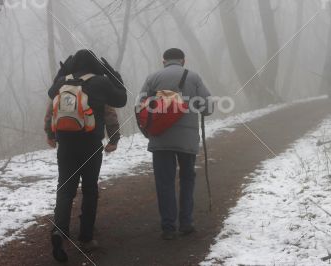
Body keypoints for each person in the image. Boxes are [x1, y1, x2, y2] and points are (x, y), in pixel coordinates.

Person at [44, 49, 127, 262]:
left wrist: (62, 71)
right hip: (90, 144)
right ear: (94, 65)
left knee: (65, 189)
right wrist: (112, 73)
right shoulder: (100, 82)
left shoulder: (63, 82)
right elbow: (121, 99)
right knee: (90, 189)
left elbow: (50, 97)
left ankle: (59, 231)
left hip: (66, 144)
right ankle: (86, 238)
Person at [137, 48, 213, 240]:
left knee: (165, 182)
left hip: (160, 138)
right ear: (183, 61)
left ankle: (168, 227)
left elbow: (140, 107)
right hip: (187, 140)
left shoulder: (152, 78)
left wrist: (148, 132)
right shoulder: (193, 77)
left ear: (164, 61)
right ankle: (186, 223)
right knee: (187, 179)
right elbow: (208, 107)